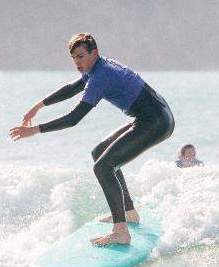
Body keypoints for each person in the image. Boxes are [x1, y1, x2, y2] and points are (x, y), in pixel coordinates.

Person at [9, 33, 174, 246]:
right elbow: (73, 88)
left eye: (80, 56)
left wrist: (35, 130)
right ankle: (128, 213)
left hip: (155, 122)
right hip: (154, 117)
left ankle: (121, 232)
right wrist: (38, 106)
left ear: (94, 53)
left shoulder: (100, 76)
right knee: (100, 152)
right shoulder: (97, 67)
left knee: (103, 167)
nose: (77, 62)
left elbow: (74, 118)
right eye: (73, 58)